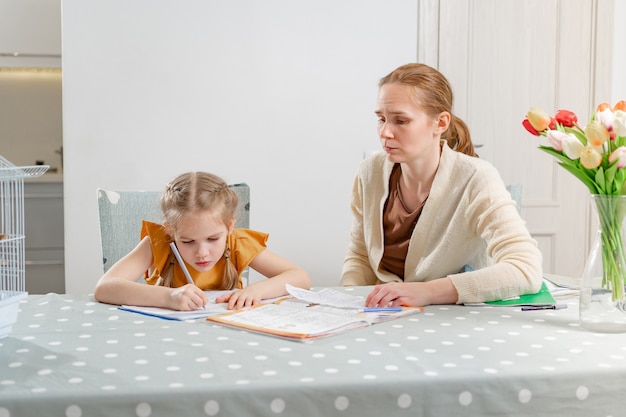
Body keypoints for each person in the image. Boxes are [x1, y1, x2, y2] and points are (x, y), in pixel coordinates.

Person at [340, 63, 542, 308]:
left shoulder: (476, 179)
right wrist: (349, 301)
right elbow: (360, 257)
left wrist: (426, 292)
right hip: (381, 316)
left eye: (401, 121)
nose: (385, 132)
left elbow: (525, 268)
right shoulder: (369, 172)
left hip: (451, 319)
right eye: (381, 119)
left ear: (441, 123)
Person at [94, 172, 311, 310]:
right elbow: (105, 287)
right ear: (170, 231)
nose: (202, 252)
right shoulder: (158, 243)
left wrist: (257, 291)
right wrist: (168, 297)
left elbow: (299, 278)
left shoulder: (238, 243)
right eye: (188, 241)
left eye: (213, 239)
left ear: (229, 226)